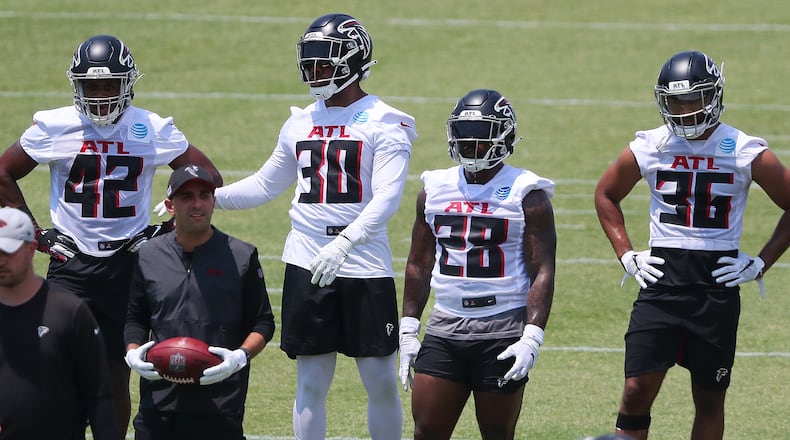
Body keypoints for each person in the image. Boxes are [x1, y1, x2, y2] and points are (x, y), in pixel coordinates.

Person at [0, 34, 223, 432]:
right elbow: (2, 172)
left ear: (128, 84)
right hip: (71, 264)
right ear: (76, 86)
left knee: (115, 375)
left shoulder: (150, 128)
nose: (101, 95)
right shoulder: (56, 125)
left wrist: (167, 231)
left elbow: (206, 179)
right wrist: (37, 235)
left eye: (110, 85)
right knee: (52, 368)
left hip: (130, 266)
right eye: (91, 86)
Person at [210, 13, 417, 439]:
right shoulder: (300, 121)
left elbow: (388, 197)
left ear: (355, 61)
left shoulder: (386, 120)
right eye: (312, 61)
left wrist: (345, 243)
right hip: (305, 257)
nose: (315, 71)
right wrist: (206, 200)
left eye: (326, 62)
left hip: (362, 259)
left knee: (378, 380)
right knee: (310, 382)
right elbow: (266, 185)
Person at [594, 50, 790, 440]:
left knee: (709, 396)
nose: (683, 109)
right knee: (635, 392)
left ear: (714, 96)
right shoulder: (650, 145)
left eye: (693, 98)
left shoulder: (744, 149)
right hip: (661, 284)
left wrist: (761, 263)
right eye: (674, 101)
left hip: (715, 288)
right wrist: (627, 255)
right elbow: (605, 194)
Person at [399, 89, 557, 440]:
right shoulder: (434, 188)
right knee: (425, 432)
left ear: (504, 137)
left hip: (502, 327)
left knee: (497, 434)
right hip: (445, 325)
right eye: (465, 137)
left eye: (482, 138)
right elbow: (419, 264)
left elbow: (542, 269)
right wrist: (409, 329)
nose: (471, 146)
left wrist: (532, 336)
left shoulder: (527, 193)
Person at [124, 164, 275, 440]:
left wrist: (239, 358)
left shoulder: (242, 255)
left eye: (204, 195)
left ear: (214, 201)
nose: (197, 203)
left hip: (220, 403)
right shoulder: (148, 255)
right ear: (170, 205)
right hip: (158, 401)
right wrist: (133, 352)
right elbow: (136, 318)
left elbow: (263, 323)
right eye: (187, 197)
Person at [0, 206, 120, 440]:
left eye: (8, 252)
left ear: (31, 248)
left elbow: (99, 395)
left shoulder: (69, 311)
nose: (1, 261)